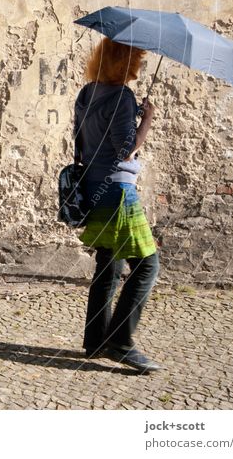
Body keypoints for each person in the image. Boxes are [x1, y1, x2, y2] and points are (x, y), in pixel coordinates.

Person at [73, 37, 161, 373]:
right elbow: (126, 149)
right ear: (124, 61)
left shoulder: (87, 93)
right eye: (136, 58)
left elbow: (81, 144)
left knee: (109, 266)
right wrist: (147, 119)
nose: (138, 65)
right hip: (119, 192)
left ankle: (95, 341)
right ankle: (121, 342)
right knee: (147, 266)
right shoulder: (122, 96)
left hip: (93, 186)